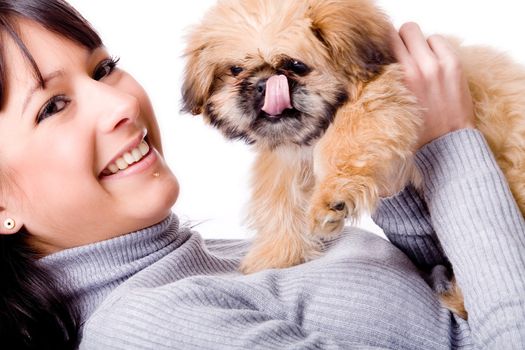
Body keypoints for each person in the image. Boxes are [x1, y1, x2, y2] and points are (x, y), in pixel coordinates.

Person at [0, 1, 523, 349]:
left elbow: (446, 311)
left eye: (103, 69)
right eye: (52, 107)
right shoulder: (147, 329)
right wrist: (451, 149)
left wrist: (394, 160)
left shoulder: (227, 257)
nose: (118, 103)